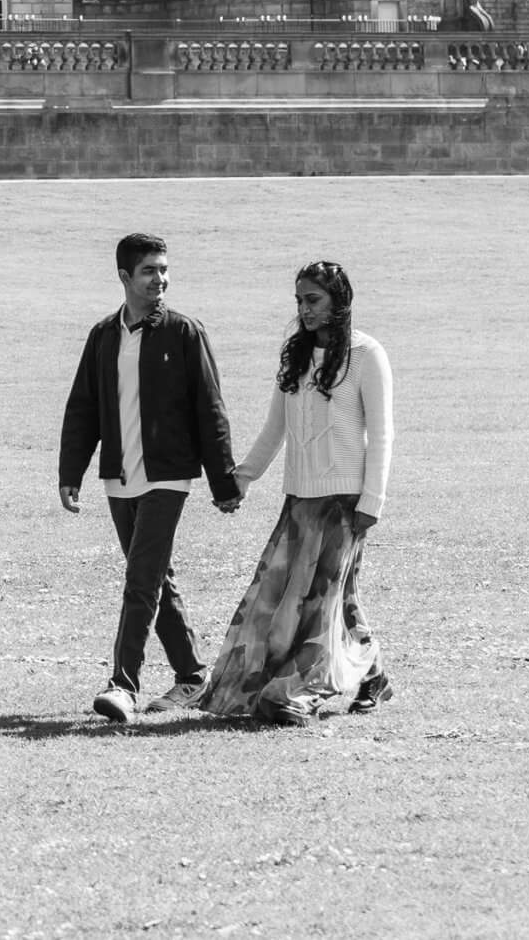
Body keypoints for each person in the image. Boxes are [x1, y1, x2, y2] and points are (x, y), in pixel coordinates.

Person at [193, 261, 396, 725]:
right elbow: (274, 429)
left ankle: (301, 691)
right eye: (299, 301)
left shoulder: (368, 355)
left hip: (345, 502)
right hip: (299, 499)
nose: (304, 310)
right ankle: (373, 674)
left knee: (318, 601)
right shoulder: (296, 355)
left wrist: (373, 502)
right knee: (322, 598)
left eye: (314, 300)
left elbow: (383, 434)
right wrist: (241, 478)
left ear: (338, 302)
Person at [59, 233, 244, 723]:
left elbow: (211, 408)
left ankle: (122, 686)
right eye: (149, 271)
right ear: (124, 277)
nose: (159, 279)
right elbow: (83, 407)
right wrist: (70, 471)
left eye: (163, 269)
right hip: (120, 477)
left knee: (140, 580)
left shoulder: (185, 332)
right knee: (156, 578)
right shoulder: (103, 335)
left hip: (168, 477)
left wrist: (223, 483)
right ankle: (192, 677)